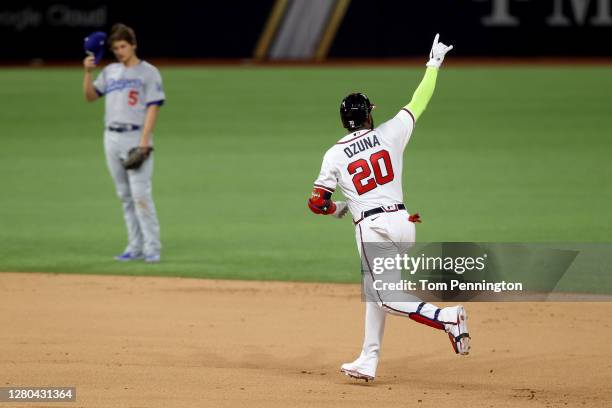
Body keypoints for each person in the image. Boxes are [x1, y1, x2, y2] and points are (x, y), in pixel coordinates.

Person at [307, 34, 470, 382]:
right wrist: (433, 64)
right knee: (376, 289)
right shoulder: (390, 133)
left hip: (373, 229)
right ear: (369, 115)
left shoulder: (334, 154)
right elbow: (418, 102)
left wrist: (338, 208)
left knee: (384, 297)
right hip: (403, 223)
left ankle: (448, 317)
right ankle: (369, 358)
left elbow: (316, 204)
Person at [82, 23, 165, 263]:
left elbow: (153, 108)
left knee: (141, 195)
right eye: (116, 48)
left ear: (133, 45)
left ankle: (152, 248)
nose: (119, 51)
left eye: (123, 46)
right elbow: (90, 97)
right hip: (111, 137)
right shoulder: (110, 72)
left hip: (135, 136)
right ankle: (134, 247)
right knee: (124, 196)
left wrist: (144, 142)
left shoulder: (149, 72)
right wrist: (87, 73)